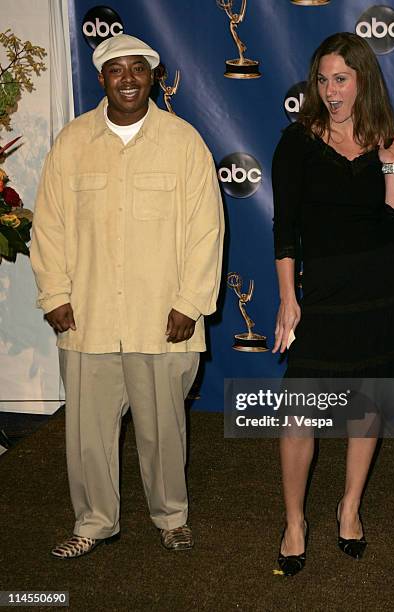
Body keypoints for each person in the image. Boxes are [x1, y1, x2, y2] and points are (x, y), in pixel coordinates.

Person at [30, 34, 224, 559]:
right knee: (87, 436)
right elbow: (47, 226)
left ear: (154, 77)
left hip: (163, 321)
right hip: (87, 319)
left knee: (164, 432)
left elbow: (207, 229)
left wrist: (190, 302)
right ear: (102, 79)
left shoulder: (184, 143)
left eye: (139, 69)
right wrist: (53, 294)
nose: (129, 79)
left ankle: (172, 517)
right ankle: (94, 523)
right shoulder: (72, 143)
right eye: (118, 70)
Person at [271, 32, 394, 576]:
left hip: (383, 295)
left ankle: (349, 507)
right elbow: (284, 230)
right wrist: (289, 300)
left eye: (341, 79)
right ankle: (294, 521)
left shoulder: (387, 138)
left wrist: (391, 170)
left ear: (363, 81)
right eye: (323, 79)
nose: (331, 91)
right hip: (324, 298)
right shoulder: (296, 143)